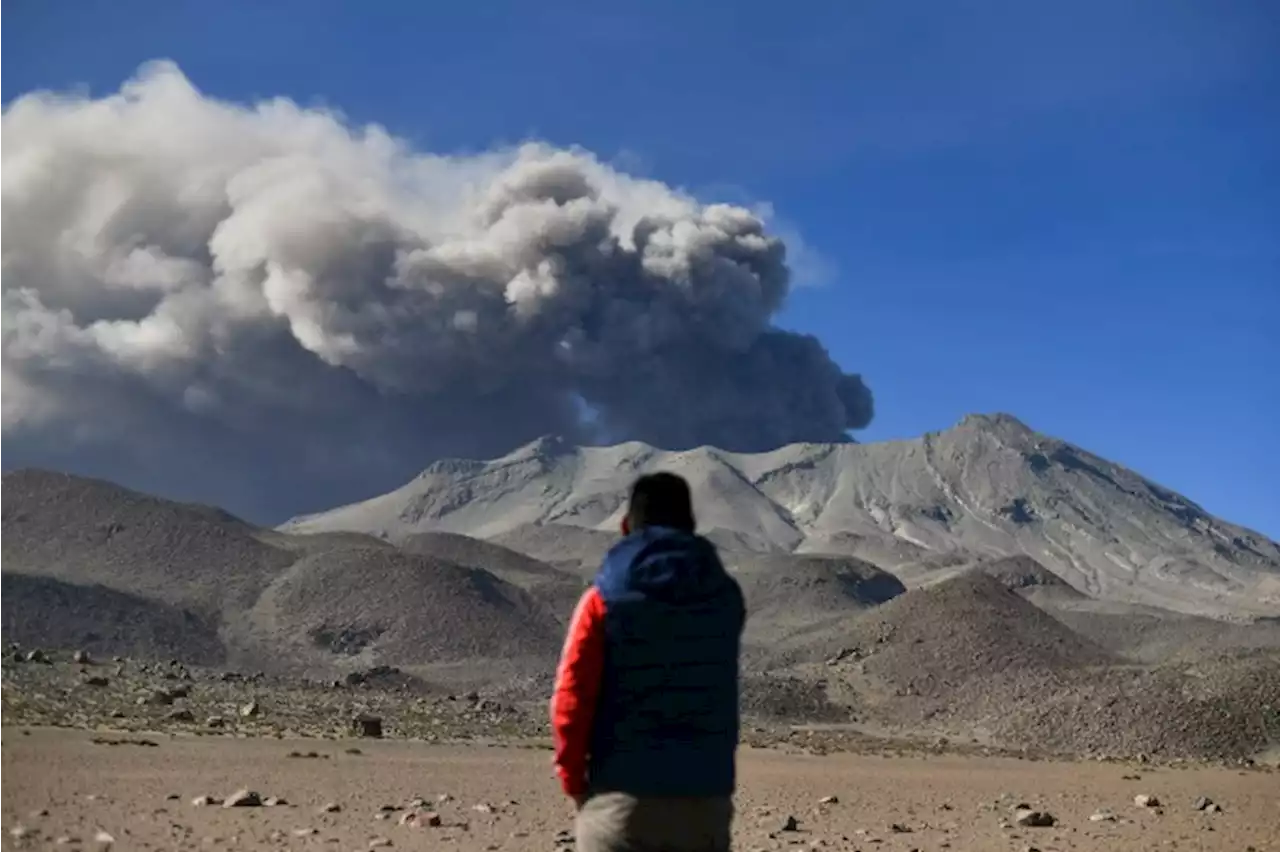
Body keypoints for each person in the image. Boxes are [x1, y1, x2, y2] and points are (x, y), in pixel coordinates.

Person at [550, 472, 747, 852]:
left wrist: (574, 782)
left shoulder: (601, 599)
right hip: (705, 801)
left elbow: (570, 698)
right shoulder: (725, 598)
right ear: (691, 526)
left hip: (622, 798)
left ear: (626, 526)